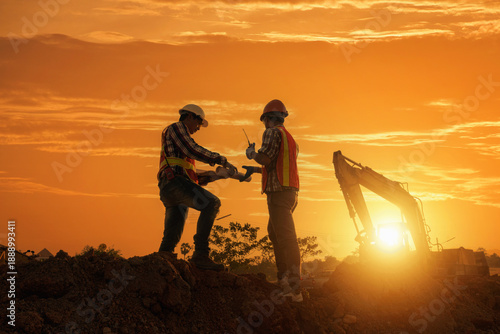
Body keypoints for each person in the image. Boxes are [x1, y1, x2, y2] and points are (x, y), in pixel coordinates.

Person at [157, 104, 237, 271]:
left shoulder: (181, 154)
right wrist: (220, 159)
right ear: (190, 117)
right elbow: (192, 148)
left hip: (173, 187)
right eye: (199, 124)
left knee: (170, 238)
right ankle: (201, 254)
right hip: (174, 184)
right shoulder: (177, 128)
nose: (198, 129)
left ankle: (161, 266)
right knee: (211, 203)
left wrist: (217, 175)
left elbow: (193, 179)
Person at [243, 99, 302, 302]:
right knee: (275, 234)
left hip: (277, 194)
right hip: (290, 193)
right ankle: (285, 279)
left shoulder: (271, 132)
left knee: (286, 238)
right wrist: (255, 169)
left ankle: (292, 287)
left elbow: (266, 159)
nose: (264, 125)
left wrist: (252, 154)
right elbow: (276, 165)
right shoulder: (289, 138)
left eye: (264, 121)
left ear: (268, 119)